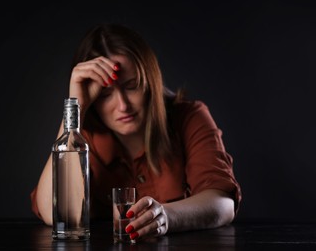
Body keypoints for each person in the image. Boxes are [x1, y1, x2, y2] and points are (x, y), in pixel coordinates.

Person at [31, 23, 241, 240]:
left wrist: (165, 217)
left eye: (132, 86)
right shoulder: (84, 137)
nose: (123, 105)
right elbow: (51, 213)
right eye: (105, 95)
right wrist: (76, 105)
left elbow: (222, 204)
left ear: (150, 81)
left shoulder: (189, 116)